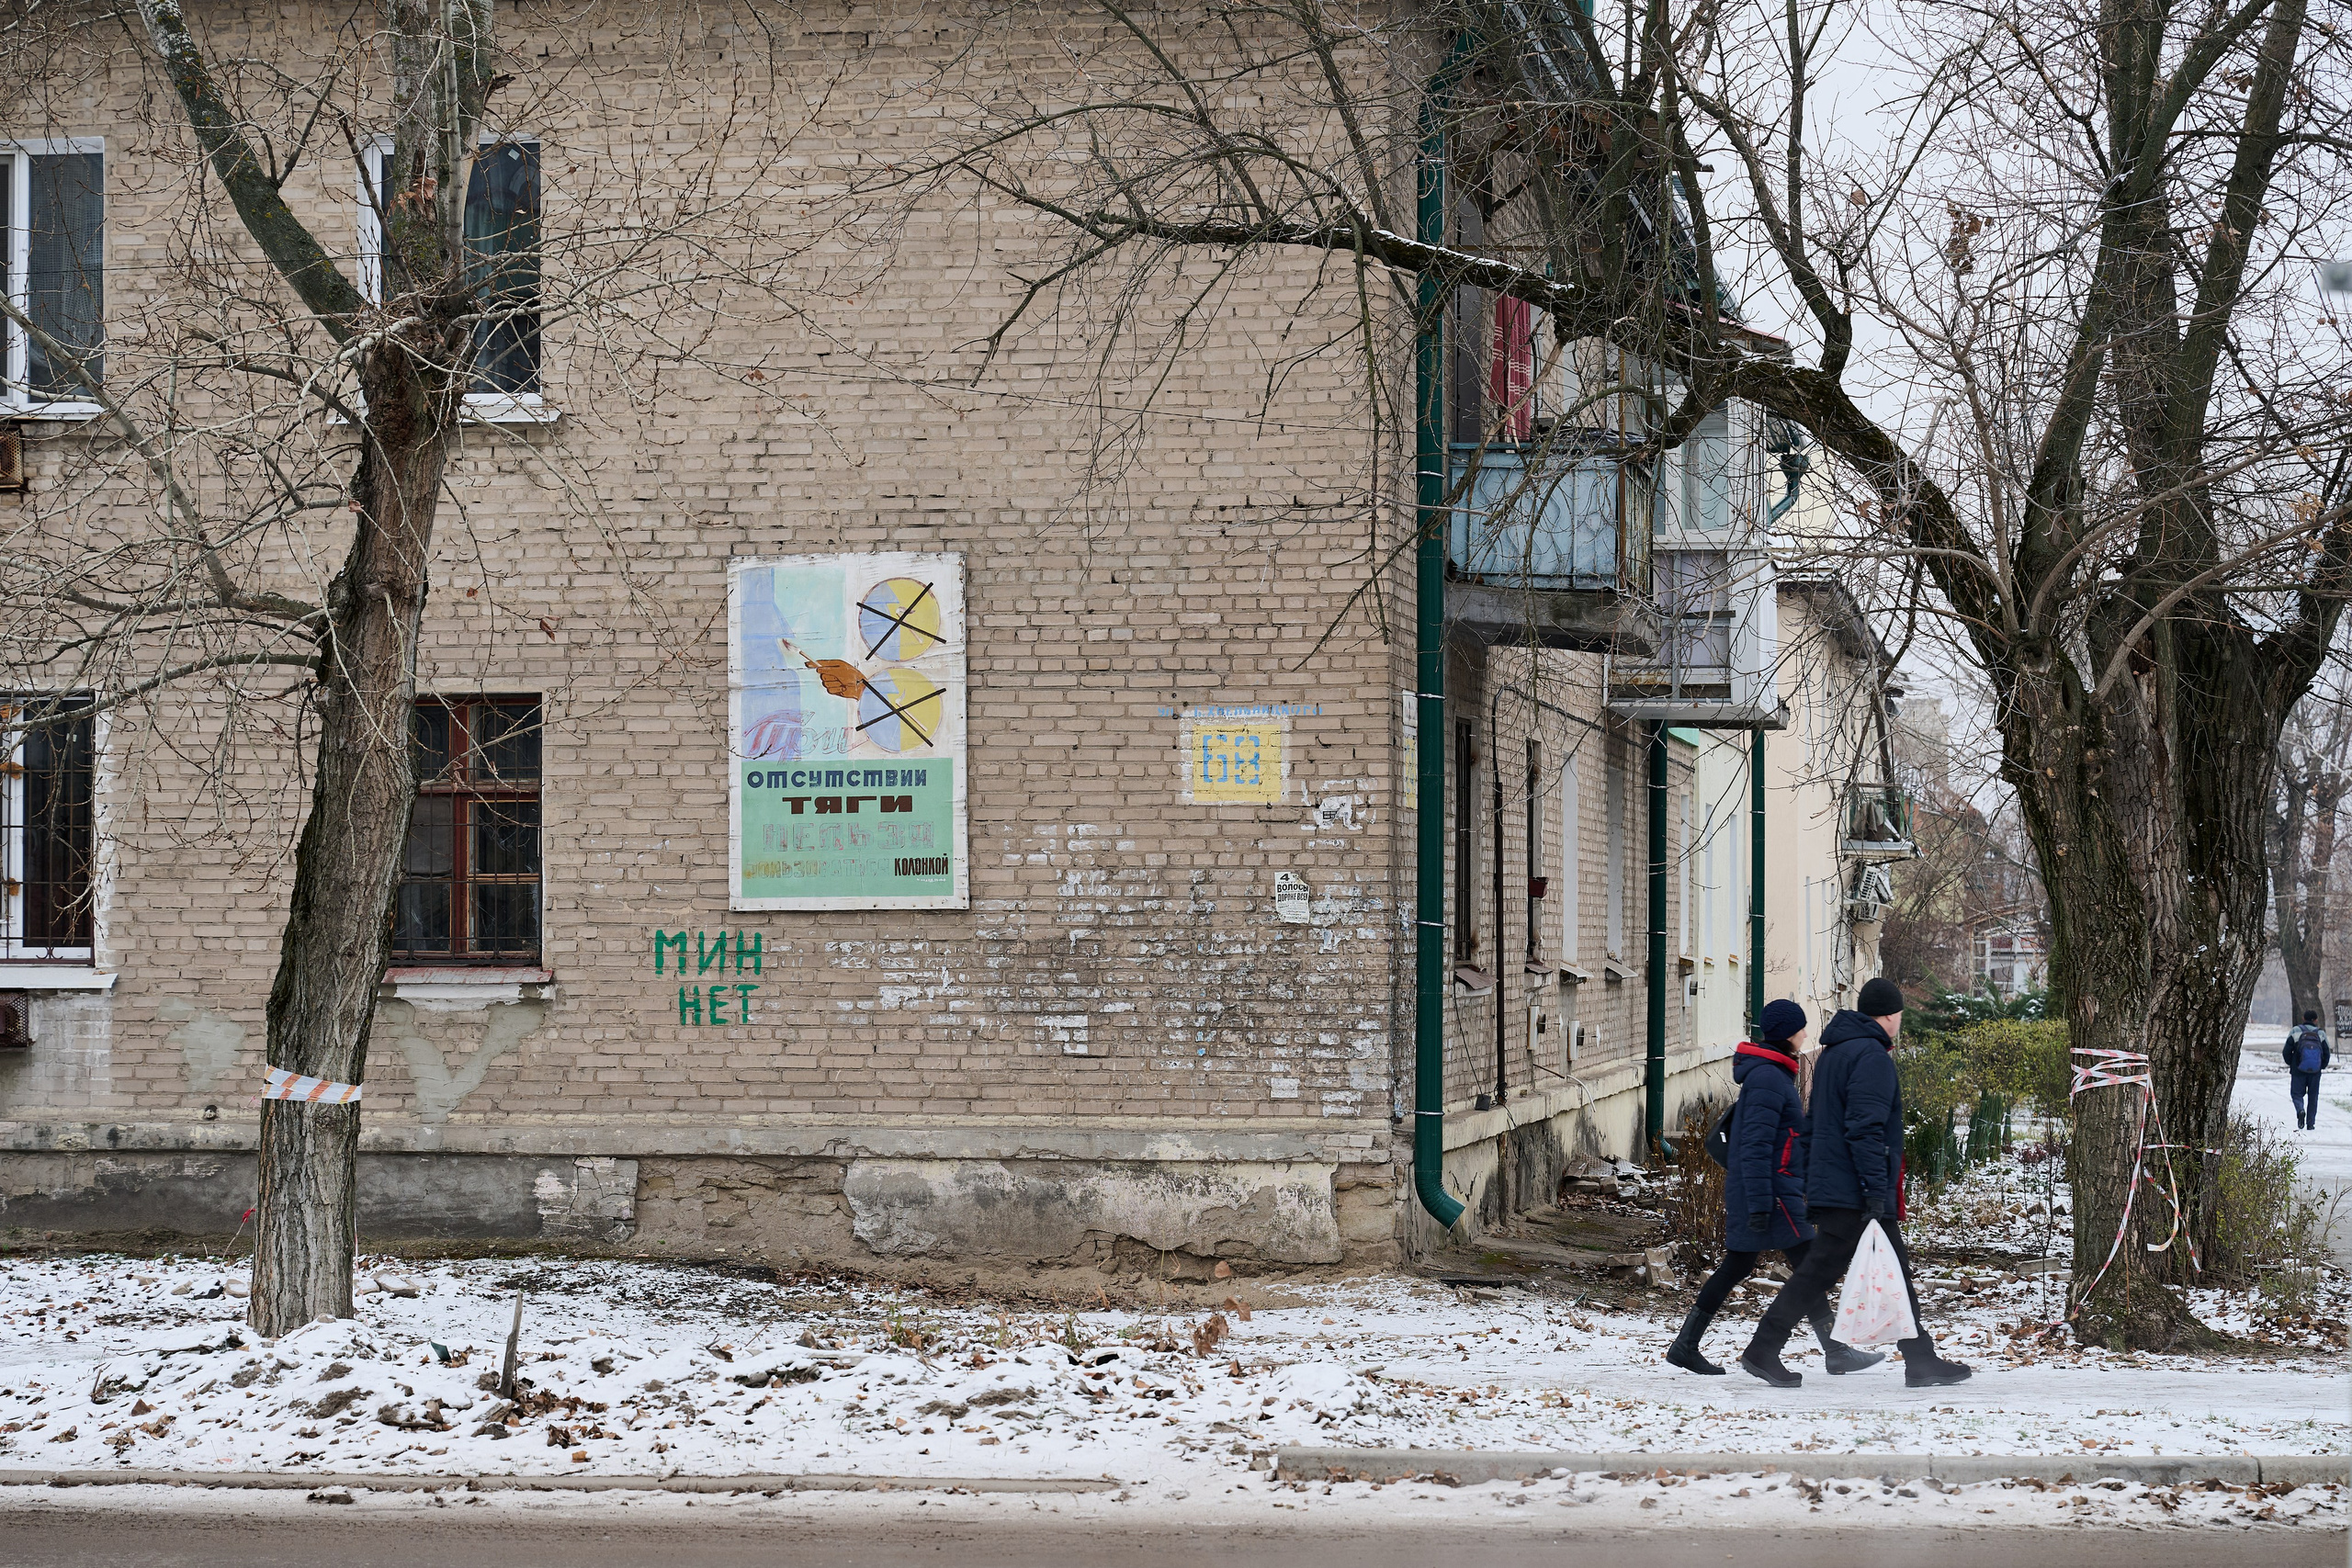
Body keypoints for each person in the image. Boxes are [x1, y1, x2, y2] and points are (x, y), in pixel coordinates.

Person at [1736, 977, 1973, 1389]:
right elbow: (1866, 1129)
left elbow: (1816, 1122)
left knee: (1870, 1271)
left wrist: (1815, 1179)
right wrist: (1874, 1191)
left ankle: (1921, 1359)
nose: (1900, 1022)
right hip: (1856, 1192)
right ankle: (1763, 1348)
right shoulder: (1871, 1057)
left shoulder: (1834, 1053)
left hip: (1839, 1185)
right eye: (1899, 1015)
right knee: (1818, 1274)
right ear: (1889, 1015)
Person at [1667, 998, 1884, 1378]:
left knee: (1743, 1266)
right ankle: (1821, 1351)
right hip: (1770, 1193)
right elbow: (1754, 1147)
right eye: (1800, 1028)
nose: (1805, 1034)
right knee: (1808, 1267)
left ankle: (1686, 1345)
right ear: (1787, 1034)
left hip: (1767, 1190)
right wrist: (1761, 1205)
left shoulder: (1772, 1073)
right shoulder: (1768, 1078)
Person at [2284, 1010, 2332, 1131]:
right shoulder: (2320, 1033)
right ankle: (2310, 1123)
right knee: (2313, 1096)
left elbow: (2286, 1051)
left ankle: (2300, 1110)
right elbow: (2327, 1052)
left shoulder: (2295, 1031)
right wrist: (2321, 1066)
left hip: (2298, 1069)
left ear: (2303, 1018)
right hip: (2315, 1071)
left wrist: (2292, 1063)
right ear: (2315, 1020)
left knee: (2296, 1094)